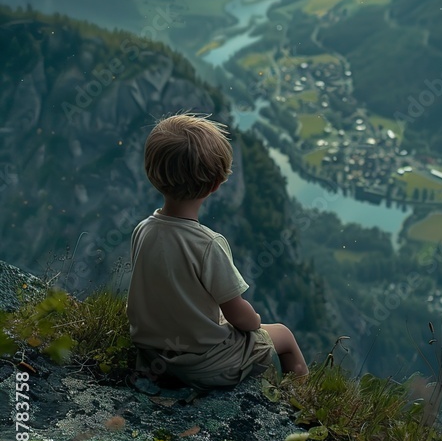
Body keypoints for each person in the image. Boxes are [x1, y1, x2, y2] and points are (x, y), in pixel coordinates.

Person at [126, 111, 308, 388]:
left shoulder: (143, 230)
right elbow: (238, 314)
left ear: (152, 174)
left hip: (151, 357)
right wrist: (255, 320)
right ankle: (300, 401)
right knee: (284, 336)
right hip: (202, 365)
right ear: (214, 185)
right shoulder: (208, 244)